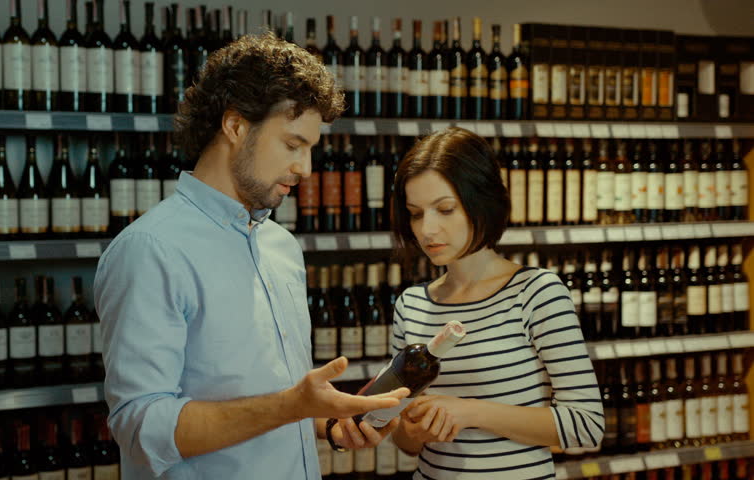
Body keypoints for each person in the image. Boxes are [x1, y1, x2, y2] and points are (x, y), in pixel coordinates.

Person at [94, 33, 408, 479]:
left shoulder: (281, 247)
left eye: (311, 150)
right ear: (236, 126)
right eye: (293, 145)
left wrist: (330, 423)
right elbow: (141, 425)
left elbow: (274, 402)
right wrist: (290, 405)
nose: (306, 169)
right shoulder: (151, 251)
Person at [387, 128, 604, 479]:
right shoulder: (410, 305)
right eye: (415, 213)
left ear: (482, 202)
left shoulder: (536, 293)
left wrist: (469, 412)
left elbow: (586, 425)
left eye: (445, 209)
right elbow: (404, 439)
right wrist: (411, 432)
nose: (427, 229)